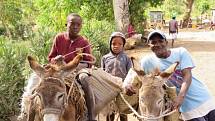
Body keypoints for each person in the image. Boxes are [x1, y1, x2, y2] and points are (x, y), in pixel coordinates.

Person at [125, 30, 215, 121]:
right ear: (149, 45)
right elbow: (133, 73)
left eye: (160, 41)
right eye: (153, 42)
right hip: (186, 109)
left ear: (166, 42)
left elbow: (187, 75)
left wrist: (180, 97)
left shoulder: (181, 52)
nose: (158, 44)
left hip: (203, 98)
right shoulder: (147, 62)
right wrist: (127, 85)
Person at [101, 32, 132, 121]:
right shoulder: (105, 58)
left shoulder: (126, 58)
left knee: (123, 111)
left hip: (122, 87)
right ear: (110, 44)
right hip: (109, 88)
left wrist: (127, 84)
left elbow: (130, 73)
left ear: (123, 45)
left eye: (120, 44)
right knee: (110, 111)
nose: (116, 46)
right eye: (113, 44)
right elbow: (102, 72)